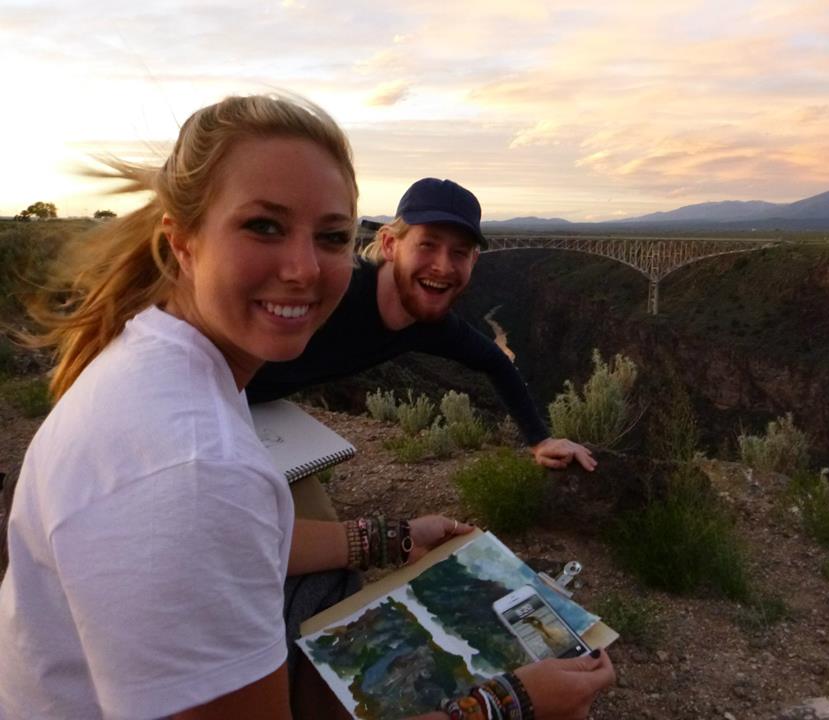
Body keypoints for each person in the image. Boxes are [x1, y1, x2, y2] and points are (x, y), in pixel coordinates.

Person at [0, 94, 614, 720]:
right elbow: (211, 514)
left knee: (332, 598)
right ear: (182, 240)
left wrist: (398, 534)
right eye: (262, 225)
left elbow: (491, 362)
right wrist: (510, 705)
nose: (303, 269)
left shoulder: (157, 366)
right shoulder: (192, 470)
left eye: (329, 237)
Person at [246, 177, 598, 474]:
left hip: (255, 413)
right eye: (427, 245)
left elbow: (495, 361)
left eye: (459, 252)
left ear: (474, 261)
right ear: (389, 244)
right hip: (205, 398)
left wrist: (540, 439)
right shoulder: (336, 288)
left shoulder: (429, 323)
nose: (443, 266)